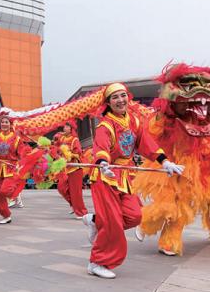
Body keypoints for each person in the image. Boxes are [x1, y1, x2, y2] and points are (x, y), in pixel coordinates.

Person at [83, 83, 177, 279]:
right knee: (113, 223)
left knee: (135, 216)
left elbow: (146, 143)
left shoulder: (134, 121)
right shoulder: (105, 125)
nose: (120, 100)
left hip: (124, 176)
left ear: (128, 97)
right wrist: (103, 164)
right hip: (106, 176)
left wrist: (165, 161)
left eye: (123, 95)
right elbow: (100, 147)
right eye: (115, 97)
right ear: (108, 103)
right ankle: (97, 262)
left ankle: (95, 221)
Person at [0, 114, 30, 224]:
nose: (4, 124)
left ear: (10, 124)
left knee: (4, 190)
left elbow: (22, 153)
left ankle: (16, 194)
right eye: (2, 122)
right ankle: (6, 215)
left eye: (6, 122)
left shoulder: (16, 139)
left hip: (11, 168)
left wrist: (21, 164)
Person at [53, 122, 88, 218]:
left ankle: (82, 212)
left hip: (75, 168)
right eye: (64, 126)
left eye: (67, 126)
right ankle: (74, 205)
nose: (64, 128)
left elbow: (78, 154)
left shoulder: (74, 139)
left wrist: (69, 154)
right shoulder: (62, 138)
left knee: (76, 192)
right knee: (61, 188)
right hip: (65, 168)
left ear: (71, 128)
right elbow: (56, 146)